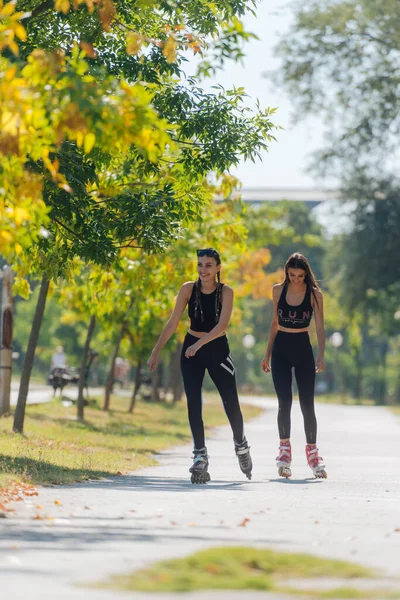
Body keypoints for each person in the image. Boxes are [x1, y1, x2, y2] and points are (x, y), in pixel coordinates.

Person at [147, 248, 252, 484]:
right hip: (191, 347)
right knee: (193, 403)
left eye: (208, 265)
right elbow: (173, 321)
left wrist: (200, 344)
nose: (203, 269)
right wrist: (156, 351)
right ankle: (200, 456)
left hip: (217, 349)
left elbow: (222, 327)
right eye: (200, 264)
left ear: (217, 268)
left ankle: (241, 445)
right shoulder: (187, 289)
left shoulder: (226, 292)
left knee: (231, 403)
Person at [261, 253, 327, 479]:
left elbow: (319, 327)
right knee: (284, 402)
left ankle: (313, 453)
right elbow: (274, 323)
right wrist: (267, 353)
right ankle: (284, 452)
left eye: (300, 275)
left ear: (306, 274)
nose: (296, 279)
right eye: (292, 275)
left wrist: (321, 354)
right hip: (280, 349)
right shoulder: (277, 290)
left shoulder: (315, 295)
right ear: (286, 272)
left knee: (307, 404)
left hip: (303, 349)